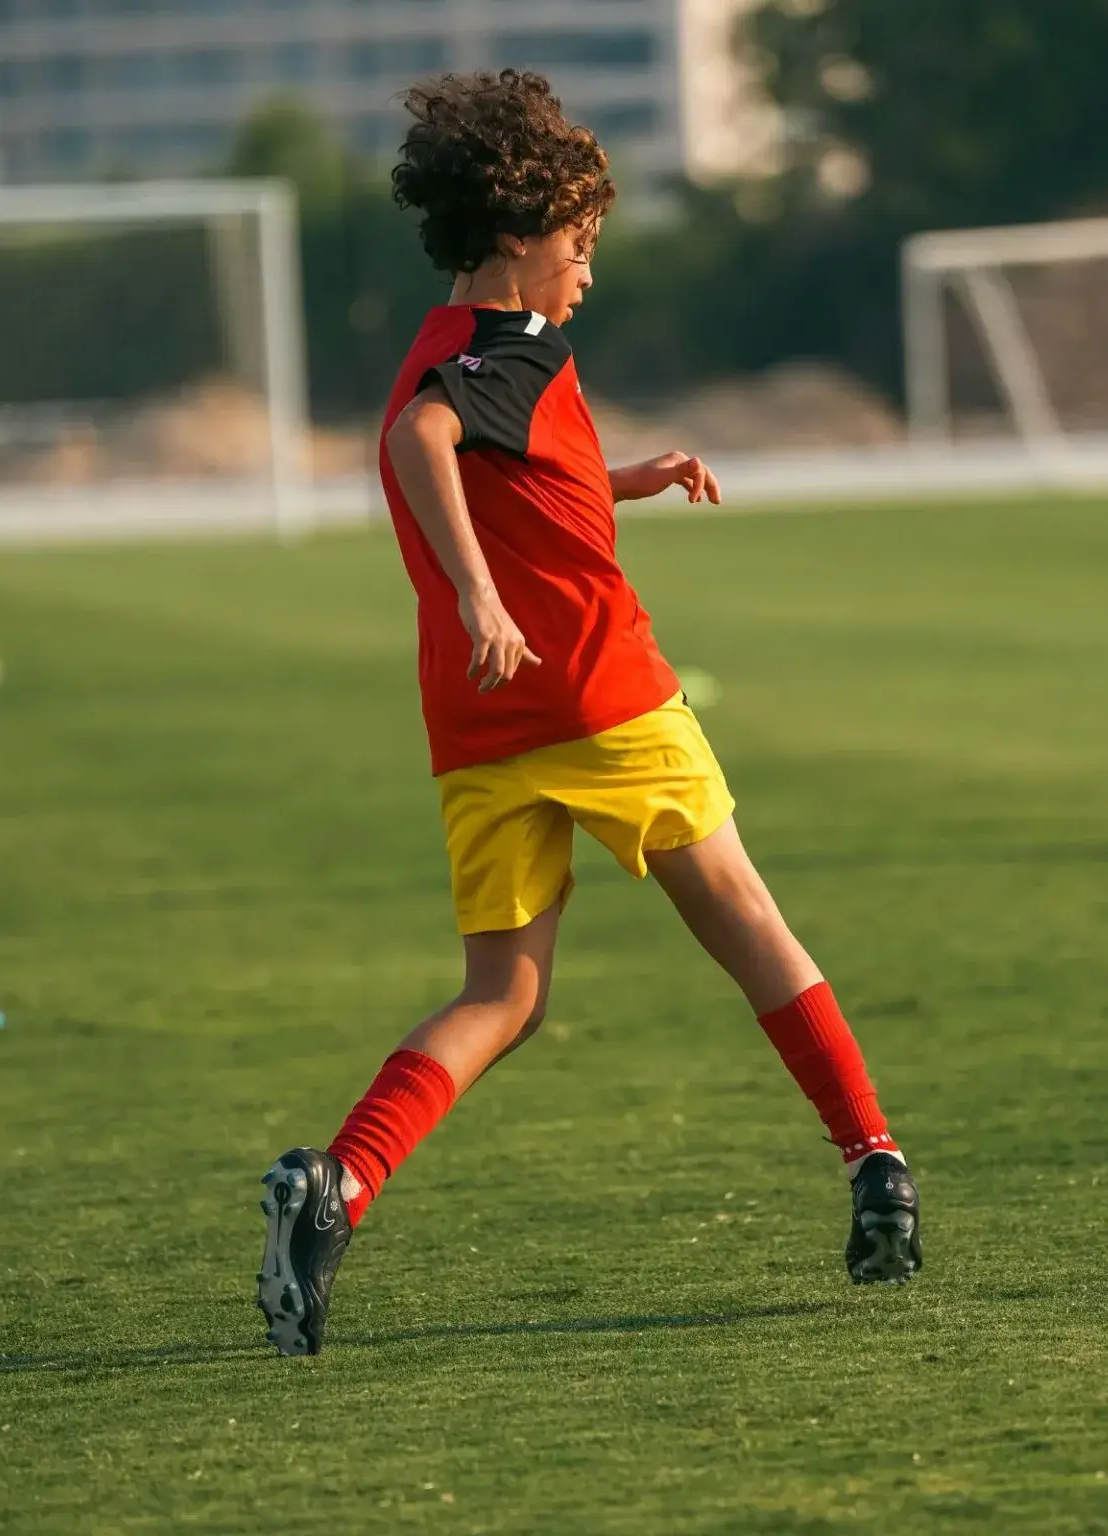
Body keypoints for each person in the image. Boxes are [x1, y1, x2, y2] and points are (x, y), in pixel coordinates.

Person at [256, 70, 920, 1357]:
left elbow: (514, 475)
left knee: (502, 995)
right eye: (581, 246)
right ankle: (875, 1164)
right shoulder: (505, 346)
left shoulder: (443, 346)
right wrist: (481, 592)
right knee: (753, 929)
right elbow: (422, 449)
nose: (587, 274)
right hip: (599, 693)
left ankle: (335, 1188)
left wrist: (626, 477)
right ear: (515, 238)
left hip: (479, 726)